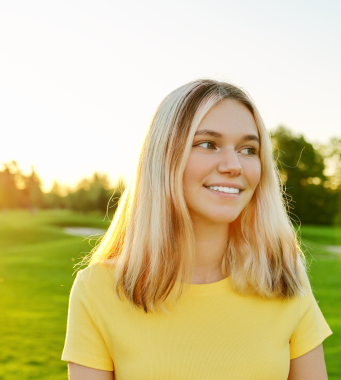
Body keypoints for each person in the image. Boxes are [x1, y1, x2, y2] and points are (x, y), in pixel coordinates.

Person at [61, 79, 332, 380]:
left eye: (248, 149)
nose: (234, 166)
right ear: (165, 157)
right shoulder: (98, 288)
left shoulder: (283, 276)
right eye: (207, 144)